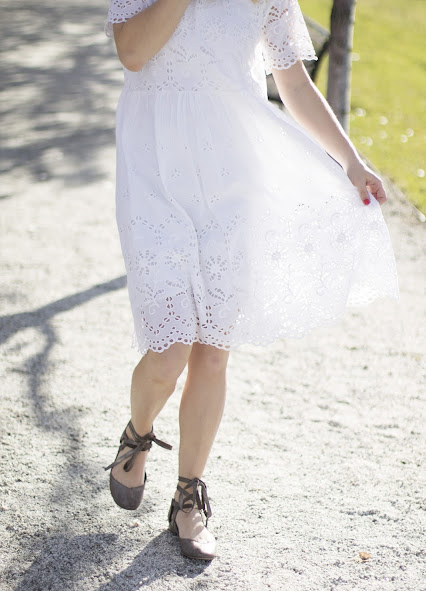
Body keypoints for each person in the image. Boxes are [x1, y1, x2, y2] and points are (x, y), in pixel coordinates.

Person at [103, 0, 399, 561]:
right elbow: (132, 52)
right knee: (168, 351)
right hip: (154, 171)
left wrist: (351, 160)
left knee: (213, 352)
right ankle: (138, 433)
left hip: (234, 178)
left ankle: (188, 498)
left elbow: (294, 83)